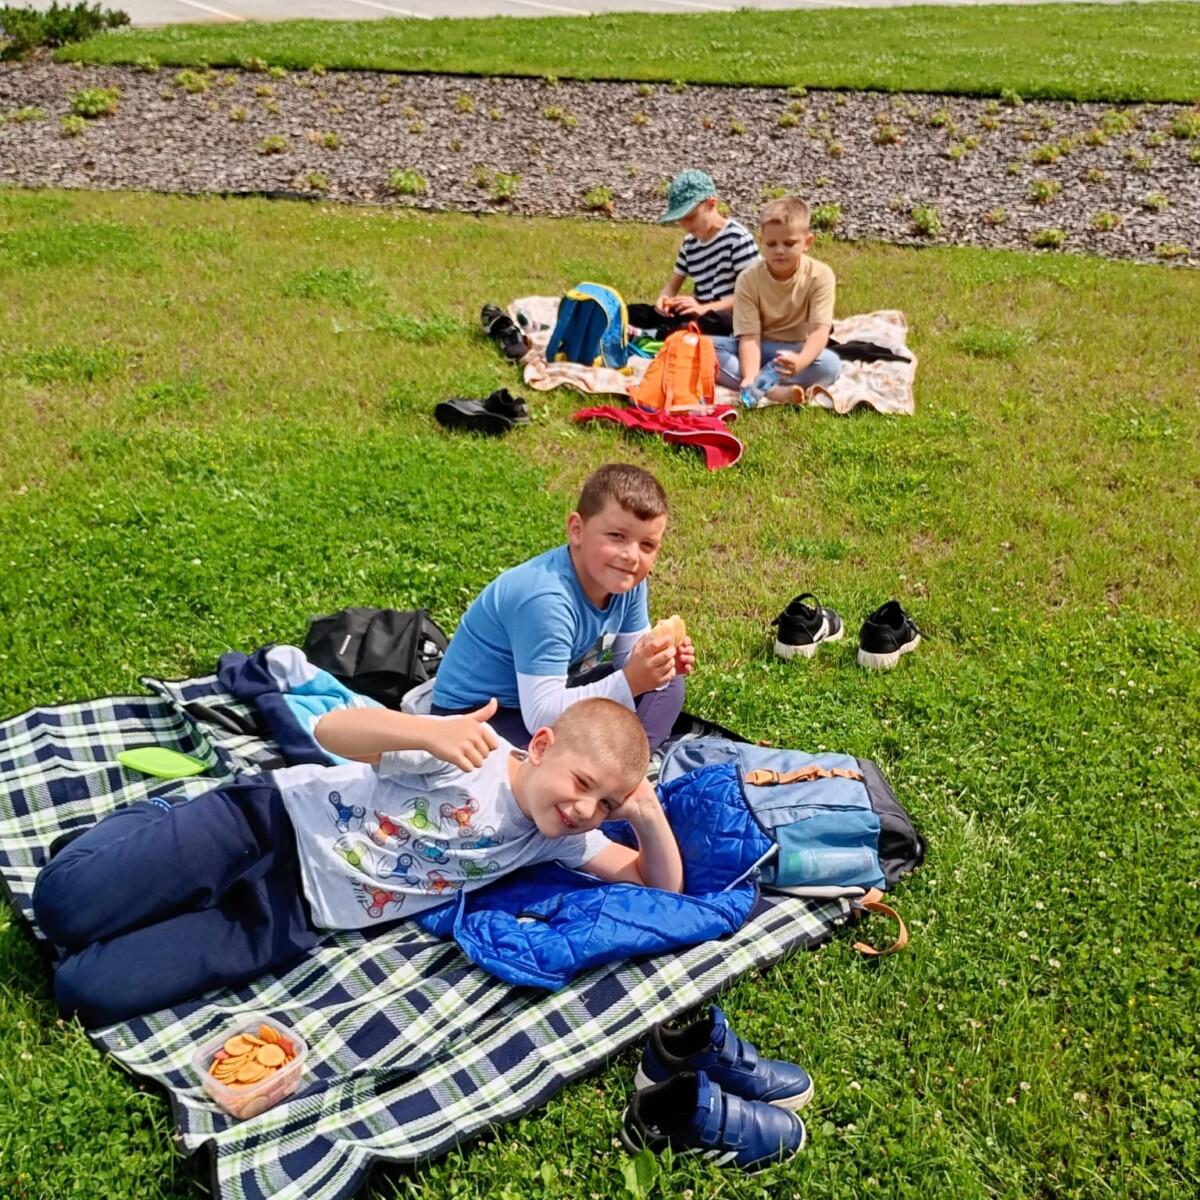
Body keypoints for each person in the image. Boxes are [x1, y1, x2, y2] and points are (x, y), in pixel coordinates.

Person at [32, 697, 683, 1028]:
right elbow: (331, 732)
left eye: (606, 804)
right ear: (540, 746)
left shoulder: (558, 838)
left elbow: (658, 887)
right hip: (261, 825)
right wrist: (426, 730)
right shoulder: (470, 754)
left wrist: (647, 815)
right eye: (582, 783)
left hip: (292, 916)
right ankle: (154, 816)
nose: (584, 809)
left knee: (82, 992)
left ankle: (146, 881)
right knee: (61, 906)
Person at [430, 463, 694, 752]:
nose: (632, 555)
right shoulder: (547, 599)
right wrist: (631, 682)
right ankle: (614, 766)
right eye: (617, 536)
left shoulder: (626, 581)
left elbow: (627, 659)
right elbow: (540, 715)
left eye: (647, 545)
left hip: (553, 689)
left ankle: (624, 764)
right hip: (479, 715)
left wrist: (658, 664)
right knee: (553, 754)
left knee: (669, 684)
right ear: (576, 530)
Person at [711, 197, 842, 403]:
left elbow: (819, 330)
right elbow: (749, 337)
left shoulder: (820, 275)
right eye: (771, 244)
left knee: (830, 365)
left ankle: (759, 387)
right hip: (756, 348)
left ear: (807, 242)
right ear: (761, 241)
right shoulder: (748, 278)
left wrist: (800, 362)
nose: (779, 250)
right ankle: (773, 391)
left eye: (789, 243)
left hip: (793, 353)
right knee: (705, 347)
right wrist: (750, 376)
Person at [626, 169, 760, 339]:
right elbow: (672, 287)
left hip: (727, 315)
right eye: (680, 220)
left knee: (719, 320)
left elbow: (752, 294)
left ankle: (651, 335)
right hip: (697, 311)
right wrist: (663, 301)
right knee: (636, 312)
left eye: (690, 217)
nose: (686, 226)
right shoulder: (690, 244)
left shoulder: (737, 238)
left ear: (711, 204)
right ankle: (626, 326)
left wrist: (703, 309)